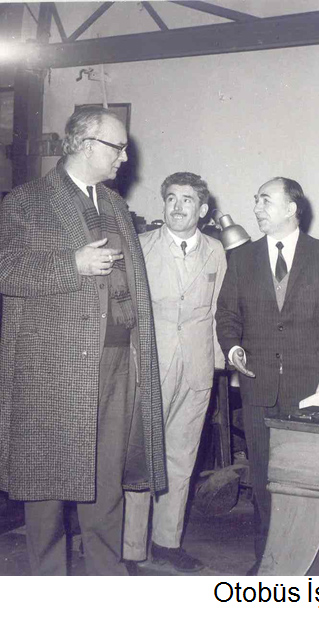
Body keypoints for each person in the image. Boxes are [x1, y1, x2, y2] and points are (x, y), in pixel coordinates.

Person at [0, 106, 166, 575]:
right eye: (118, 147)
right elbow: (6, 269)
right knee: (47, 485)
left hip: (117, 359)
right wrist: (71, 265)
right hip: (55, 366)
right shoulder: (28, 200)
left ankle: (104, 581)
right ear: (87, 145)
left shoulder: (114, 204)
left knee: (106, 481)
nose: (125, 157)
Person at [215, 177, 319, 568]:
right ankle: (268, 563)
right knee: (263, 480)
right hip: (258, 388)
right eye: (256, 200)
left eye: (265, 200)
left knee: (310, 480)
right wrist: (233, 348)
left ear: (292, 208)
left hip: (309, 390)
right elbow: (227, 315)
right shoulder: (242, 258)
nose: (257, 208)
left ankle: (311, 564)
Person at [122, 172, 227, 573]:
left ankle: (167, 541)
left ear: (203, 209)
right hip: (150, 364)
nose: (178, 206)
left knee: (182, 457)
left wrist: (217, 364)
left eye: (187, 200)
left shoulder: (215, 250)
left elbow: (217, 310)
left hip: (197, 368)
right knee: (142, 456)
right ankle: (132, 547)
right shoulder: (142, 246)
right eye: (171, 198)